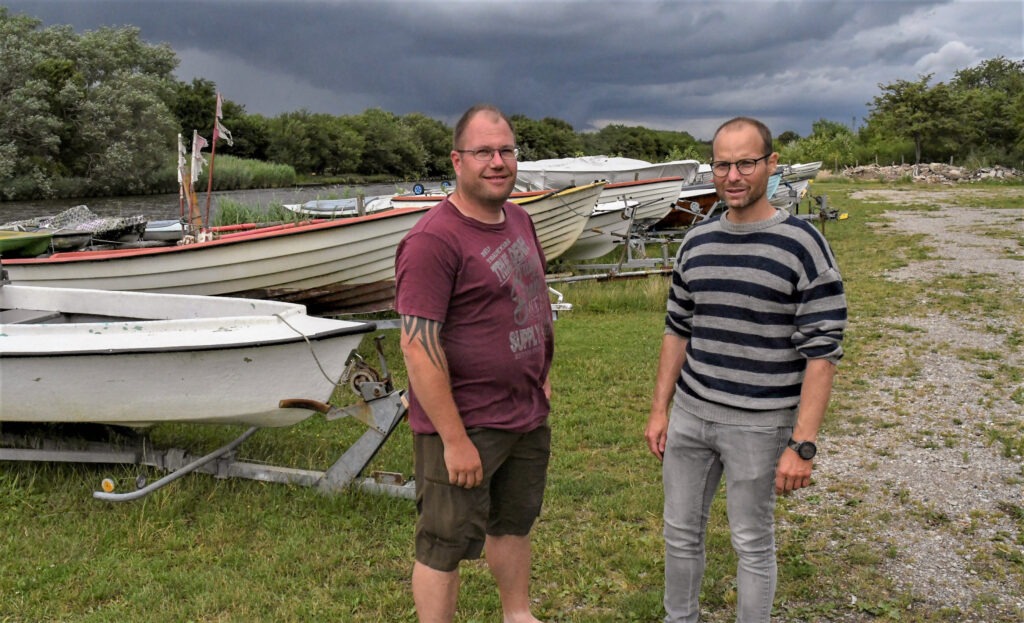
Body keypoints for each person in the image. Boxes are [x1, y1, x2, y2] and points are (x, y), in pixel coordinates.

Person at [645, 116, 847, 623]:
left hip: (760, 422)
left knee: (752, 543)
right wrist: (659, 409)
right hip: (691, 414)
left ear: (771, 165)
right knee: (679, 534)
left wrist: (803, 445)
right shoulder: (696, 242)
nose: (732, 176)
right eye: (722, 164)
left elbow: (822, 353)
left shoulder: (804, 246)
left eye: (746, 163)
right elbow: (677, 330)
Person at [395, 103, 554, 623]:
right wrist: (455, 440)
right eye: (483, 151)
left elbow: (531, 300)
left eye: (506, 150)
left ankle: (518, 614)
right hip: (466, 423)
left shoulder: (520, 219)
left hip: (525, 416)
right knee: (444, 543)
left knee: (513, 523)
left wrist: (542, 380)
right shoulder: (432, 240)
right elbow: (418, 347)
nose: (497, 161)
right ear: (457, 160)